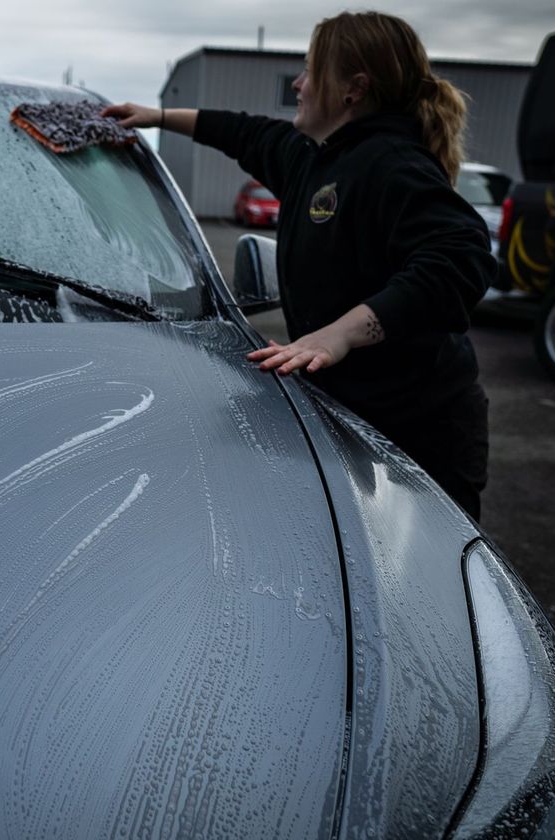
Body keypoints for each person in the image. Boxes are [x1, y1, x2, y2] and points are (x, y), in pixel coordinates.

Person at [103, 10, 496, 521]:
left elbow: (461, 259)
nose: (299, 83)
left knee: (423, 583)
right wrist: (157, 118)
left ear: (353, 89)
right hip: (349, 413)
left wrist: (342, 333)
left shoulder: (393, 164)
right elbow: (243, 132)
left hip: (423, 432)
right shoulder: (312, 159)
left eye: (311, 70)